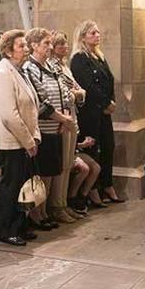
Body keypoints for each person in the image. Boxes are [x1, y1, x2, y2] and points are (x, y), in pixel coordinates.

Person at [0, 30, 41, 246]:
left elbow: (30, 106)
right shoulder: (1, 73)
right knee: (12, 185)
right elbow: (10, 114)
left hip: (22, 139)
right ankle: (6, 229)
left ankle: (19, 225)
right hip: (10, 140)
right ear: (8, 51)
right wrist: (28, 141)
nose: (26, 49)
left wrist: (33, 137)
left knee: (22, 185)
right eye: (21, 46)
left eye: (26, 45)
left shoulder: (18, 71)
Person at [23, 28, 78, 229]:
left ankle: (47, 210)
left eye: (49, 43)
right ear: (34, 46)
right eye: (46, 43)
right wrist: (63, 118)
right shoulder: (31, 68)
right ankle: (38, 213)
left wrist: (64, 118)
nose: (50, 47)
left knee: (52, 172)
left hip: (59, 126)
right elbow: (41, 100)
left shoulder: (51, 66)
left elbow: (65, 91)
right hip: (45, 127)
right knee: (43, 173)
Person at [70, 20, 124, 204]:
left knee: (108, 147)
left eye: (98, 32)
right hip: (90, 113)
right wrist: (104, 103)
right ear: (83, 36)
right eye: (93, 33)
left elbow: (109, 80)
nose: (97, 35)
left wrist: (112, 101)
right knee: (93, 150)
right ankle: (92, 191)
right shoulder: (79, 58)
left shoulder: (99, 56)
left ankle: (107, 185)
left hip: (104, 111)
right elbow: (88, 86)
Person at [48, 31, 89, 218]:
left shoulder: (65, 66)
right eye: (61, 45)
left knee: (68, 165)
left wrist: (77, 93)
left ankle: (63, 203)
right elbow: (67, 94)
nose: (65, 47)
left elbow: (79, 90)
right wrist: (77, 94)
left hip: (72, 116)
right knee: (63, 165)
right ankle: (57, 205)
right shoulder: (53, 66)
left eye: (65, 44)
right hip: (62, 119)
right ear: (53, 49)